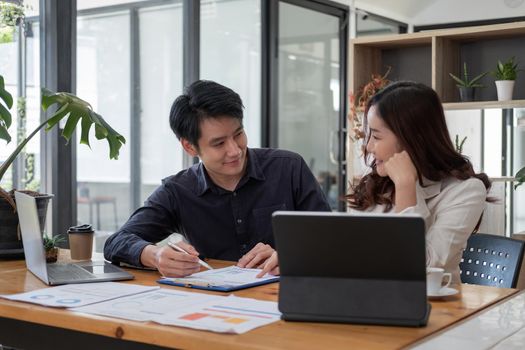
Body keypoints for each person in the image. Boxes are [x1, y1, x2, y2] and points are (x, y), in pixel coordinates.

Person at [259, 81, 491, 284]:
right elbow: (353, 253)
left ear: (413, 139)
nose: (368, 146)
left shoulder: (466, 191)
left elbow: (419, 267)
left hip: (437, 311)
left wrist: (407, 187)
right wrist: (300, 258)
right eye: (368, 135)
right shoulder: (379, 182)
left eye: (377, 136)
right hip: (370, 299)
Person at [104, 80, 331, 277]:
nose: (235, 150)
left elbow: (331, 239)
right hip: (214, 306)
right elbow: (116, 242)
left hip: (287, 298)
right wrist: (156, 255)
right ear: (189, 146)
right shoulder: (178, 190)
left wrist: (290, 255)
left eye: (239, 134)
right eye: (219, 143)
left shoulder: (288, 168)